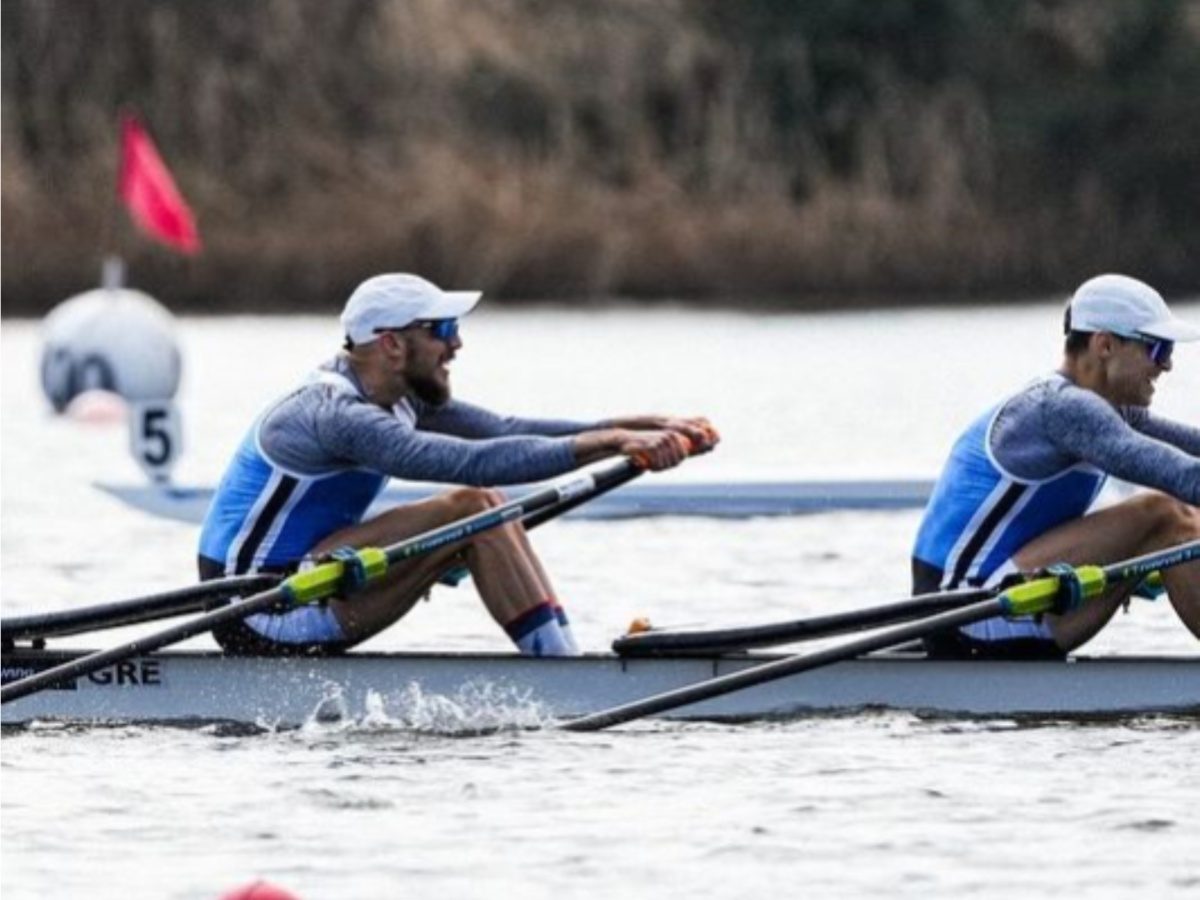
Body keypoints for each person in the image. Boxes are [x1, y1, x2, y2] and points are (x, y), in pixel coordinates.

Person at [198, 273, 718, 657]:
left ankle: (563, 659)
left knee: (486, 505)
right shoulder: (335, 415)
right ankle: (563, 671)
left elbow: (505, 431)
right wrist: (617, 441)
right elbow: (469, 461)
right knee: (472, 506)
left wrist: (642, 427)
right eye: (443, 329)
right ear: (392, 343)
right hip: (259, 610)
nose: (456, 344)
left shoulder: (398, 396)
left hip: (317, 579)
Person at [912, 274, 1200, 658]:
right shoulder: (1063, 409)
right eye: (1158, 349)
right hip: (965, 613)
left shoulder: (1106, 410)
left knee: (1184, 518)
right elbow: (1184, 476)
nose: (1166, 365)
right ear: (1105, 345)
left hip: (1006, 597)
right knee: (1164, 514)